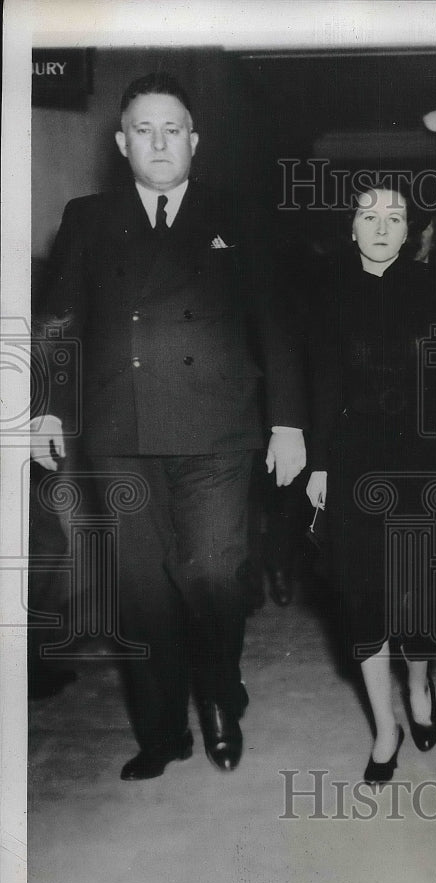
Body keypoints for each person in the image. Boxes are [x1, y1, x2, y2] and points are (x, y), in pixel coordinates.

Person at [31, 73, 306, 780]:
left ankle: (218, 689)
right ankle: (162, 731)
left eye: (172, 128)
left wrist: (289, 423)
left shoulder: (237, 214)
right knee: (143, 592)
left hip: (218, 429)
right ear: (122, 142)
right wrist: (46, 406)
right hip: (119, 431)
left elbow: (276, 321)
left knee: (214, 573)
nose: (159, 143)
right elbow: (59, 322)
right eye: (144, 130)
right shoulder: (88, 217)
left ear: (195, 139)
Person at [306, 181, 436, 784]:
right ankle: (386, 729)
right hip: (354, 462)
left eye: (395, 217)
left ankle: (419, 683)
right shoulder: (324, 292)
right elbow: (321, 387)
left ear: (410, 232)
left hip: (425, 461)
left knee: (420, 594)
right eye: (368, 215)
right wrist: (322, 466)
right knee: (362, 598)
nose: (382, 226)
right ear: (350, 227)